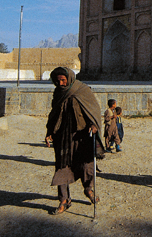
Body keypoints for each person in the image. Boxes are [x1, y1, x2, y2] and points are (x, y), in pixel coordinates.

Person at [45, 67, 103, 215]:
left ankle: (88, 189)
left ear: (69, 78)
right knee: (62, 167)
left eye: (63, 80)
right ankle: (64, 200)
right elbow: (53, 114)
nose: (61, 83)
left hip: (82, 134)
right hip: (63, 136)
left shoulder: (82, 90)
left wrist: (94, 125)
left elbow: (93, 109)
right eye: (58, 81)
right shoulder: (58, 93)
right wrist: (49, 132)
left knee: (86, 165)